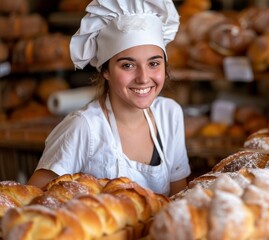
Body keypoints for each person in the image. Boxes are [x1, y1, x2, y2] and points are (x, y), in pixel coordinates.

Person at [27, 0, 191, 196]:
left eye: (154, 63)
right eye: (127, 65)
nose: (143, 78)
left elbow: (178, 197)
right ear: (105, 70)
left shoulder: (169, 114)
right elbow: (32, 199)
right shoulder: (84, 127)